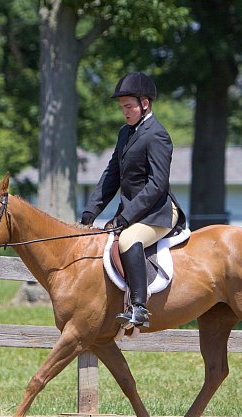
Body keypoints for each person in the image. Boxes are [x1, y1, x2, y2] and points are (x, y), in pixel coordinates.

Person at [80, 72, 187, 328]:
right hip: (135, 211)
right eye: (122, 108)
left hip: (159, 210)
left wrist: (125, 218)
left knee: (128, 238)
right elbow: (111, 175)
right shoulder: (125, 134)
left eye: (129, 107)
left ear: (145, 103)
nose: (125, 112)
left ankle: (139, 307)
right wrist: (90, 212)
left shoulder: (157, 135)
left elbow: (157, 184)